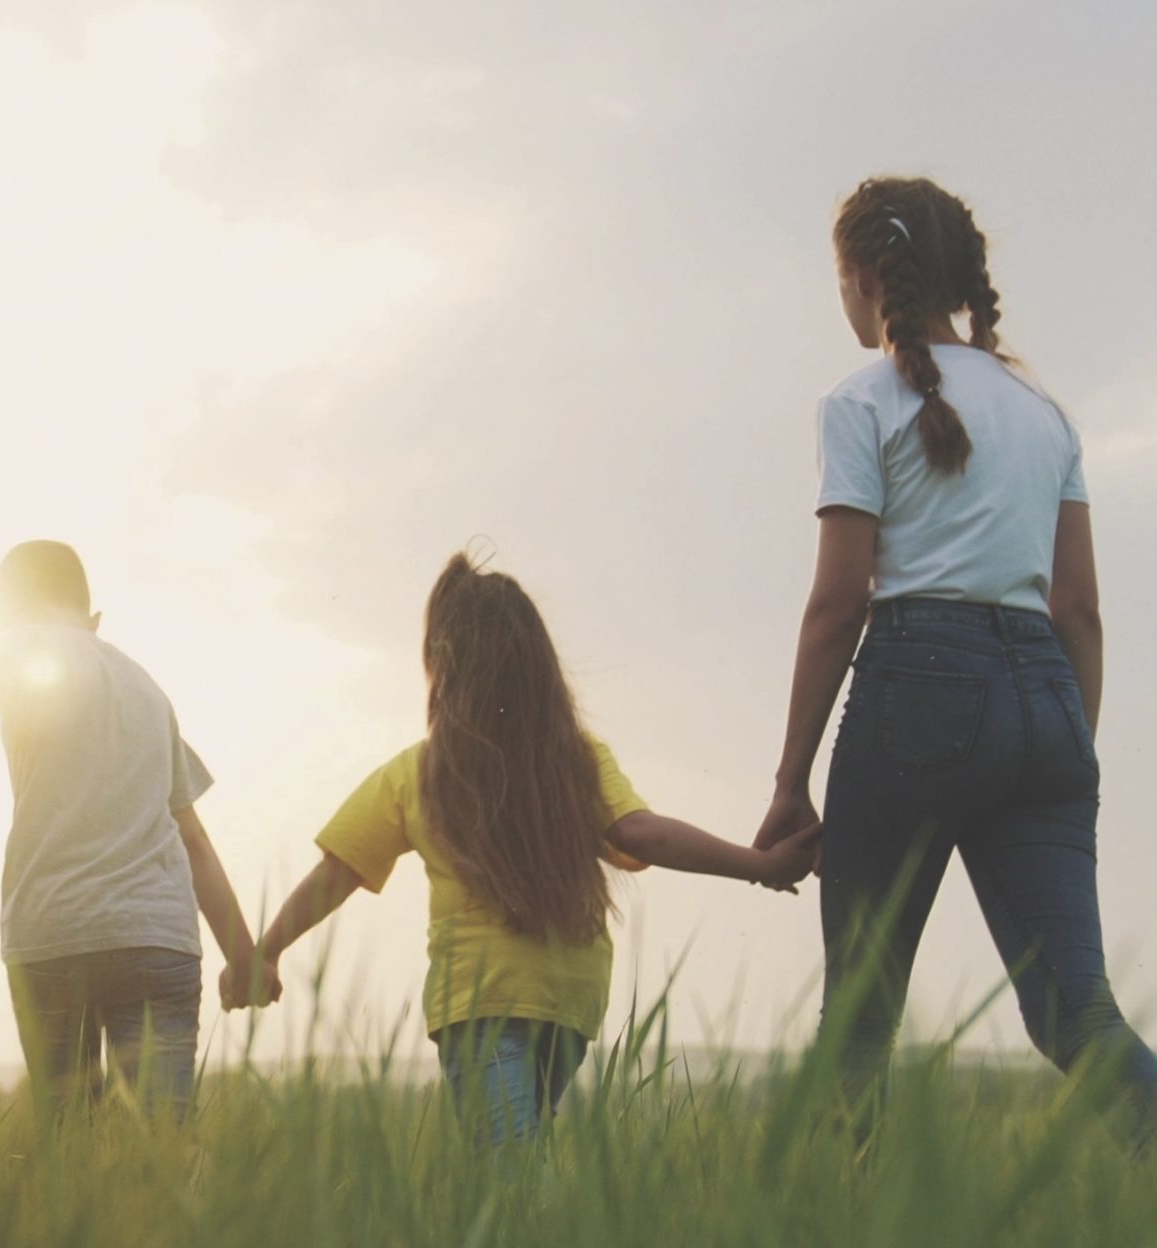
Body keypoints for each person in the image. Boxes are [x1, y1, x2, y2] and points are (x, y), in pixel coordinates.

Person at [753, 176, 1157, 1143]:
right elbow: (1082, 610)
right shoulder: (1043, 413)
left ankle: (840, 1225)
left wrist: (789, 779)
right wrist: (1063, 756)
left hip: (916, 695)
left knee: (858, 1022)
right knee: (1077, 1015)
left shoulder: (859, 402)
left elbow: (837, 602)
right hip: (1050, 704)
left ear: (861, 278)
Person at [256, 555, 817, 1145]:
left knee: (513, 1184)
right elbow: (641, 834)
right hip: (567, 1001)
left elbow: (336, 871)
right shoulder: (575, 760)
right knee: (518, 1172)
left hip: (481, 999)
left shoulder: (419, 774)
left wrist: (264, 952)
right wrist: (758, 866)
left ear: (443, 666)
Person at [0, 541, 272, 1123]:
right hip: (156, 935)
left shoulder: (19, 646)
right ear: (94, 620)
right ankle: (185, 1209)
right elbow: (193, 837)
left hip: (54, 932)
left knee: (66, 1139)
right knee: (165, 1140)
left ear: (4, 617)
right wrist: (244, 956)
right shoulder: (150, 692)